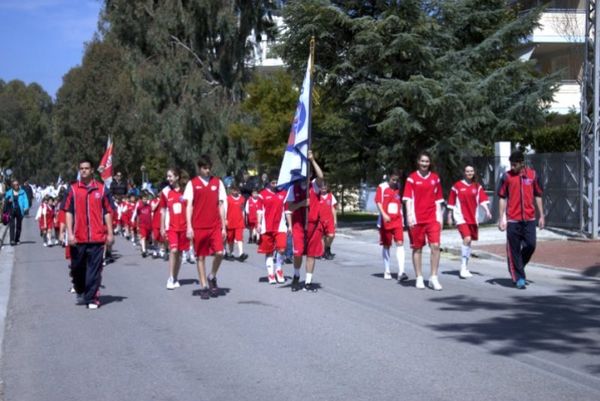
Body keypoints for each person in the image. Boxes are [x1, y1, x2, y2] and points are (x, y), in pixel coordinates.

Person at [63, 160, 114, 309]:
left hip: (97, 238)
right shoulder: (72, 189)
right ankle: (80, 290)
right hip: (78, 238)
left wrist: (110, 233)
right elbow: (68, 212)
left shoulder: (102, 189)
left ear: (92, 170)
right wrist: (70, 234)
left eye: (86, 168)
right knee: (77, 269)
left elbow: (108, 212)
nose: (84, 171)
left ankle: (92, 298)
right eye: (81, 169)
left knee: (94, 270)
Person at [497, 150, 545, 289]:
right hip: (513, 219)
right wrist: (501, 218)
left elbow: (538, 195)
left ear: (522, 163)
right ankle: (519, 277)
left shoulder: (533, 175)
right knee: (514, 249)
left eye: (514, 165)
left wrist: (541, 215)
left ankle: (517, 266)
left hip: (529, 218)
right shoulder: (506, 177)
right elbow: (502, 197)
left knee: (531, 245)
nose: (512, 167)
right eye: (511, 164)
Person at [184, 155, 227, 300]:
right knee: (200, 257)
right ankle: (203, 286)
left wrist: (223, 226)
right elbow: (189, 206)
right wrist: (189, 226)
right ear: (200, 168)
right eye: (205, 168)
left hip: (215, 225)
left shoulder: (217, 182)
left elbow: (221, 205)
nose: (208, 171)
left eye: (209, 168)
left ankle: (212, 276)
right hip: (199, 226)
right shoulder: (192, 184)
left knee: (220, 253)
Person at [403, 152, 444, 290]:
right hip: (417, 219)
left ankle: (433, 277)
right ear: (418, 162)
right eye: (422, 161)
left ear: (429, 163)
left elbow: (438, 200)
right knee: (417, 248)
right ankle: (419, 277)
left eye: (427, 161)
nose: (425, 164)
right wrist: (409, 216)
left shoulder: (435, 178)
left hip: (432, 218)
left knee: (436, 246)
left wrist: (440, 217)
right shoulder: (412, 178)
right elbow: (408, 199)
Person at [286, 150, 324, 292]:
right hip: (298, 225)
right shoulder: (293, 188)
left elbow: (321, 176)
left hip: (313, 226)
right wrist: (302, 203)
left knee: (311, 254)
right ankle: (296, 275)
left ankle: (308, 281)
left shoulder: (314, 186)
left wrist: (312, 160)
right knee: (297, 253)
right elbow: (290, 207)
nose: (305, 177)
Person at [447, 164, 492, 278]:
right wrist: (449, 215)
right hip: (460, 217)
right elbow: (451, 201)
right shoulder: (457, 186)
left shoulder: (477, 186)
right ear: (464, 172)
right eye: (467, 171)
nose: (469, 173)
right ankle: (462, 268)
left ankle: (466, 266)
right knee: (466, 239)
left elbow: (482, 200)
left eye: (471, 171)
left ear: (474, 173)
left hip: (472, 218)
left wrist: (487, 211)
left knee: (469, 241)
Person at [375, 171, 407, 281]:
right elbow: (378, 202)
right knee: (386, 245)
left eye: (397, 180)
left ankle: (401, 272)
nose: (395, 182)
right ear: (389, 178)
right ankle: (387, 270)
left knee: (400, 243)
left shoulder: (400, 188)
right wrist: (384, 215)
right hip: (385, 221)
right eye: (393, 180)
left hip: (398, 220)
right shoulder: (382, 187)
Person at [161, 168, 189, 290]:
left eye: (170, 176)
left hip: (184, 227)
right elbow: (162, 210)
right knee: (173, 250)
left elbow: (190, 208)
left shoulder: (186, 191)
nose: (168, 179)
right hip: (171, 227)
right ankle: (171, 277)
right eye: (167, 177)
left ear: (177, 177)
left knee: (180, 254)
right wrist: (162, 227)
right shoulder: (165, 192)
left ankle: (175, 277)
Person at [257, 175, 288, 284]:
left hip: (280, 226)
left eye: (276, 182)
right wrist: (258, 224)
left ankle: (278, 270)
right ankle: (271, 273)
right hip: (267, 227)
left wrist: (290, 224)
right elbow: (259, 211)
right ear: (269, 182)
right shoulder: (262, 194)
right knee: (269, 252)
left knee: (282, 249)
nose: (275, 184)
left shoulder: (283, 194)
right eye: (273, 181)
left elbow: (287, 210)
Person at [225, 185, 248, 261]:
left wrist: (244, 219)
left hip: (239, 221)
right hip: (230, 221)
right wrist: (225, 219)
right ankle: (231, 253)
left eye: (236, 190)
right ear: (231, 190)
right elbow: (224, 210)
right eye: (234, 190)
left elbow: (242, 210)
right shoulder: (227, 199)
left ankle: (241, 254)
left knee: (239, 238)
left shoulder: (242, 199)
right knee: (230, 239)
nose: (235, 191)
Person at [4, 179, 29, 246]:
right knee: (12, 225)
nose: (16, 186)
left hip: (20, 211)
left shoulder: (22, 192)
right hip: (11, 210)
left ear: (19, 185)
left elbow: (25, 200)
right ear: (12, 185)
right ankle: (12, 240)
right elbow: (5, 202)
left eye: (17, 184)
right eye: (14, 185)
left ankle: (17, 239)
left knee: (19, 226)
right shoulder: (9, 192)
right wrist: (8, 201)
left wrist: (26, 207)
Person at [319, 182, 338, 260]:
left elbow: (333, 209)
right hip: (319, 220)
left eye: (325, 186)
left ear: (327, 187)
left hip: (329, 219)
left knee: (331, 235)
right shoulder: (317, 196)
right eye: (322, 186)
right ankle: (323, 253)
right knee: (322, 237)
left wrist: (335, 220)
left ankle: (327, 249)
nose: (323, 188)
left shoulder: (331, 196)